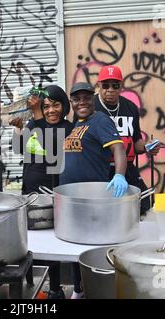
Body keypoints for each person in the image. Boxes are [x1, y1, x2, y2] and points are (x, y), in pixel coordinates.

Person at [60, 82, 128, 298]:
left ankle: (100, 290)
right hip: (72, 198)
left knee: (92, 248)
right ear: (71, 102)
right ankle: (79, 289)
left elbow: (118, 148)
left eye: (87, 98)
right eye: (77, 98)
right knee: (73, 246)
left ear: (93, 99)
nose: (82, 102)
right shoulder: (75, 124)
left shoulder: (99, 120)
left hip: (91, 198)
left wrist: (120, 174)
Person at [10, 85, 74, 299]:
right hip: (30, 190)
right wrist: (18, 129)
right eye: (46, 107)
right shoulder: (34, 123)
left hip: (51, 193)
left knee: (51, 243)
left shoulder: (67, 128)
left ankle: (55, 289)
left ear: (64, 106)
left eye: (55, 105)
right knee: (31, 242)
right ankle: (33, 286)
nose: (50, 110)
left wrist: (36, 116)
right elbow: (20, 148)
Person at [94, 65, 160, 216]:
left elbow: (136, 142)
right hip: (100, 169)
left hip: (127, 168)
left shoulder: (130, 107)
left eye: (115, 85)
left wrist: (147, 146)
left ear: (121, 86)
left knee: (144, 203)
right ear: (99, 85)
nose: (110, 89)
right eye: (105, 85)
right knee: (105, 211)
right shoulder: (91, 106)